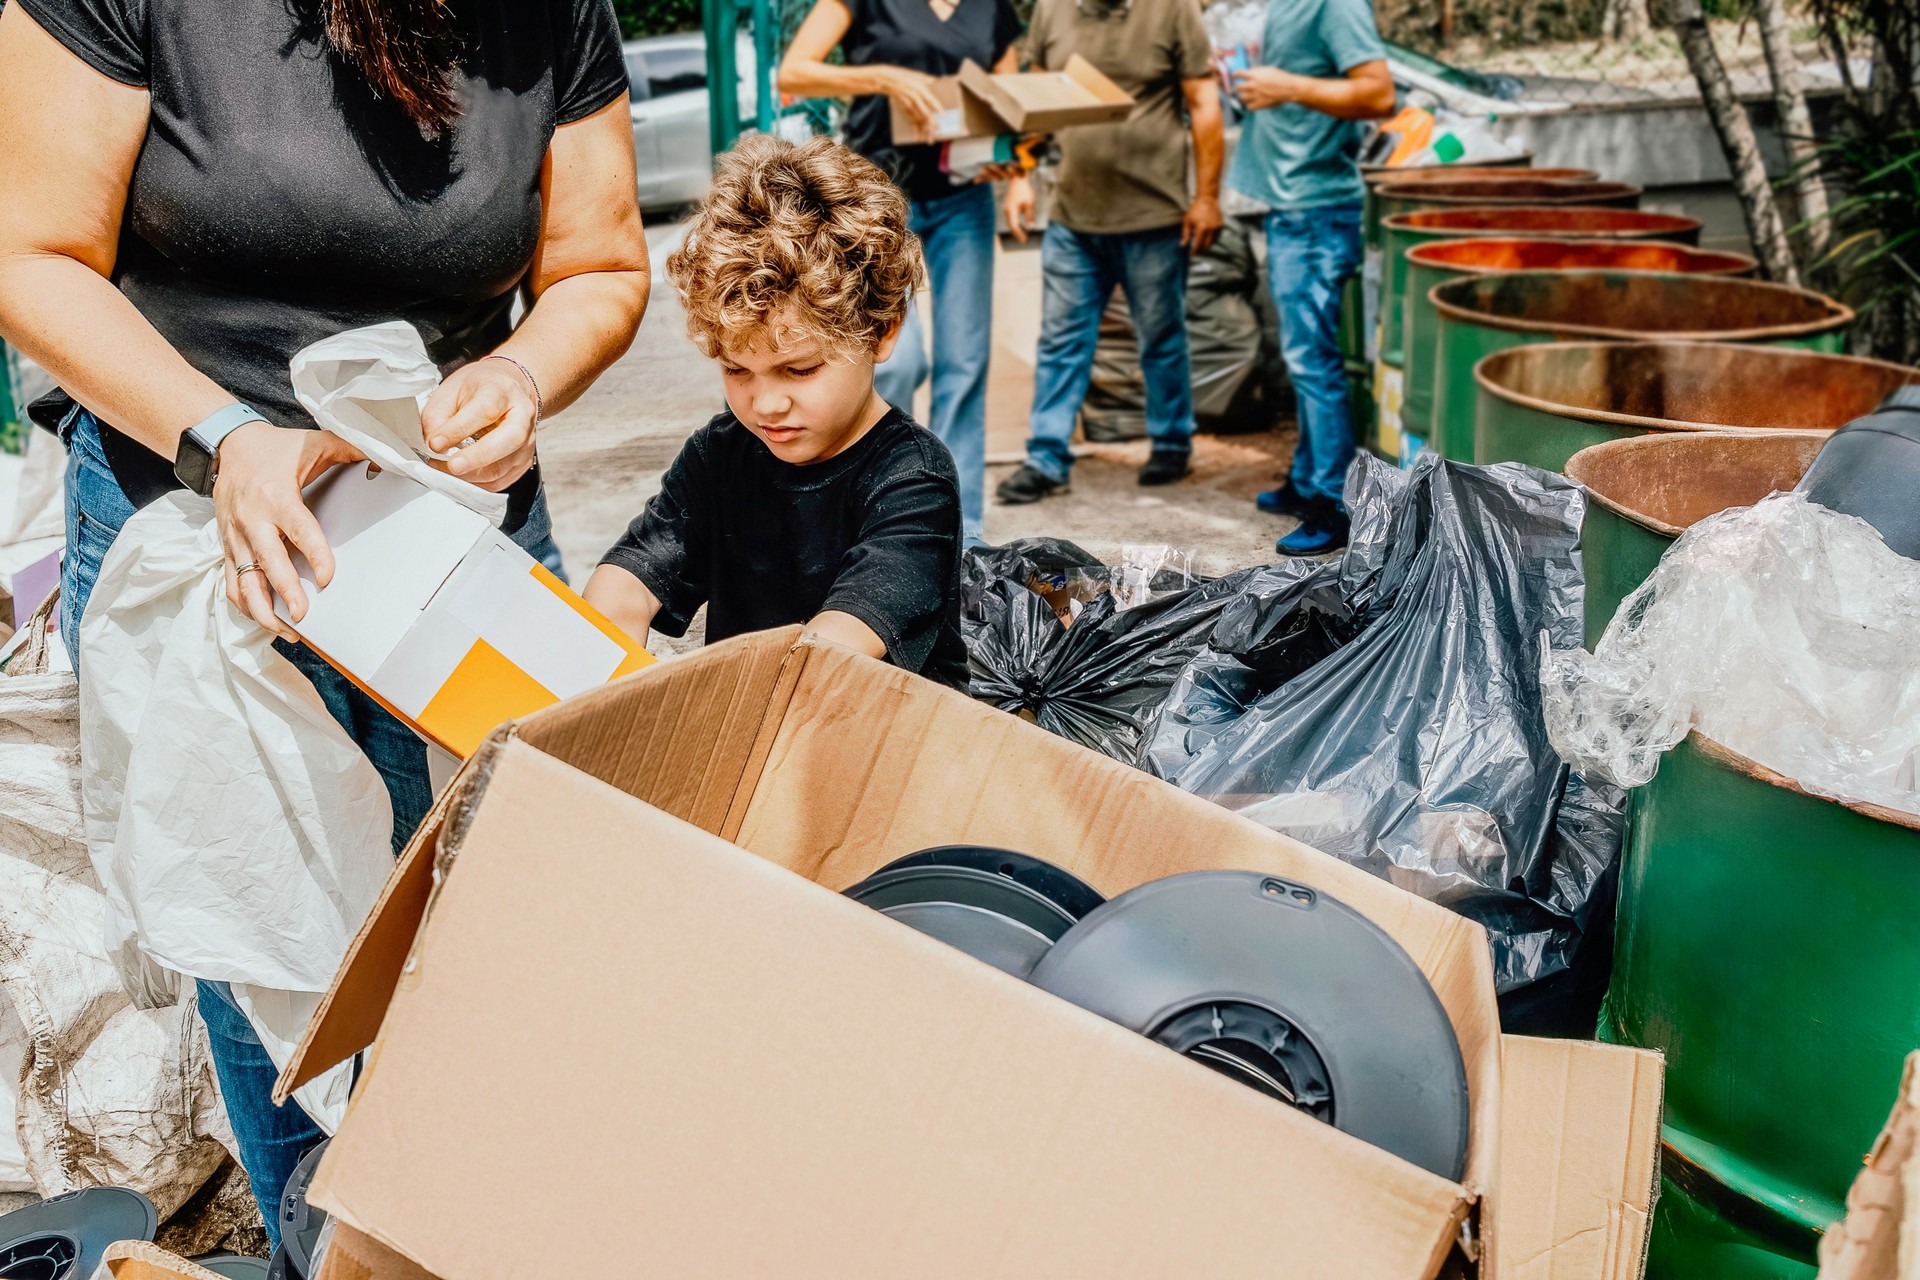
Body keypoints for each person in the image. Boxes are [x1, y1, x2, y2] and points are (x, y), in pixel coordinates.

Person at [0, 0, 649, 1237]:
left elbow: (603, 264)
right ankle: (326, 1246)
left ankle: (494, 1232)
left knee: (502, 917)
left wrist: (519, 374)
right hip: (197, 520)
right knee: (276, 952)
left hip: (450, 540)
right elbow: (28, 252)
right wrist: (224, 437)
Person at [585, 136, 969, 690]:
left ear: (881, 332)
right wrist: (606, 670)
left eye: (800, 369)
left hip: (886, 740)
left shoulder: (914, 477)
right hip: (753, 733)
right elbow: (626, 582)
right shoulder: (718, 456)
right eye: (737, 370)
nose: (766, 404)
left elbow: (841, 644)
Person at [779, 0, 1025, 546]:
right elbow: (794, 71)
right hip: (879, 195)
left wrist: (1017, 170)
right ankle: (887, 512)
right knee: (896, 362)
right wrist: (883, 76)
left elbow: (1010, 106)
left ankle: (962, 537)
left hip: (965, 195)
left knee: (965, 362)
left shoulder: (991, 9)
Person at [992, 0, 1224, 505]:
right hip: (1074, 218)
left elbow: (1205, 103)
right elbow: (1031, 104)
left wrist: (1207, 197)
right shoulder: (1053, 12)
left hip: (1155, 217)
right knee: (1060, 340)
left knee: (1161, 338)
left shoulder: (1174, 10)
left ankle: (1170, 442)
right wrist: (1020, 180)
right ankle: (1046, 457)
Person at [1230, 0, 1395, 554]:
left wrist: (1286, 86)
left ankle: (1334, 503)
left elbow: (1378, 94)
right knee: (1305, 359)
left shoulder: (1337, 5)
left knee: (1312, 359)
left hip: (1318, 212)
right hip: (1292, 208)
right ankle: (1306, 480)